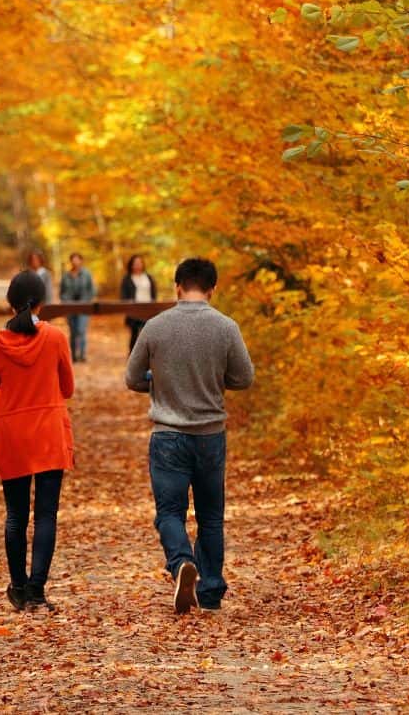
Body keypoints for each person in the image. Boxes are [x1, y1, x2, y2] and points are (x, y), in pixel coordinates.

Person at [124, 257, 254, 614]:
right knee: (211, 516)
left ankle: (181, 561)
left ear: (177, 286)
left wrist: (158, 380)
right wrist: (213, 379)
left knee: (169, 512)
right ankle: (210, 592)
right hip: (211, 435)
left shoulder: (154, 326)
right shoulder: (226, 327)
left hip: (168, 435)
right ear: (212, 288)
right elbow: (244, 378)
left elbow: (133, 378)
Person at [0, 270, 75, 613]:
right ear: (42, 303)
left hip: (12, 435)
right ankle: (37, 591)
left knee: (16, 515)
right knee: (46, 514)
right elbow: (67, 388)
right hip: (49, 431)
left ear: (10, 303)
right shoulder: (55, 337)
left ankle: (18, 587)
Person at [58, 252, 95, 363]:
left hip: (84, 307)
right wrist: (65, 301)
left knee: (81, 330)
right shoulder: (66, 275)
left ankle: (82, 355)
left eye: (77, 259)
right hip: (70, 307)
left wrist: (87, 301)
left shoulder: (87, 274)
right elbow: (62, 292)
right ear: (71, 261)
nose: (75, 262)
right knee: (73, 331)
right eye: (73, 260)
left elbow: (92, 290)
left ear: (81, 261)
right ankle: (73, 355)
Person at [119, 254, 155, 352]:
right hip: (134, 310)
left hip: (148, 310)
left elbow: (153, 293)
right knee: (134, 335)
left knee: (148, 335)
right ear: (131, 265)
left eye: (140, 263)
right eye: (135, 263)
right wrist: (128, 305)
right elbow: (123, 296)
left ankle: (147, 357)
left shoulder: (148, 277)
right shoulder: (127, 279)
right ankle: (132, 357)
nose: (138, 265)